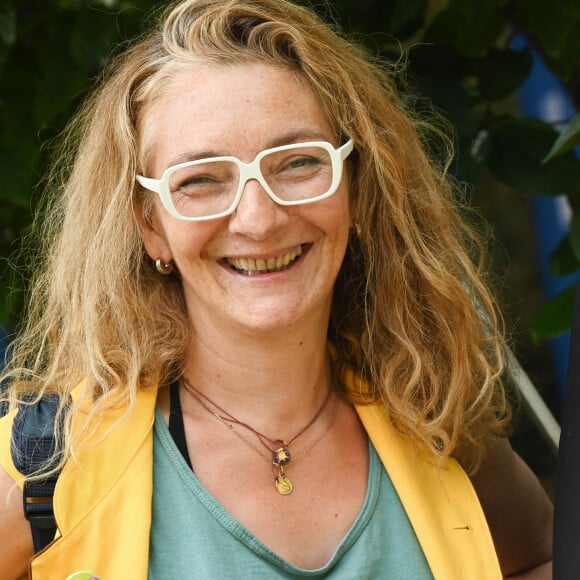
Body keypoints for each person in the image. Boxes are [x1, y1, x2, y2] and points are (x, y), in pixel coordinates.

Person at [0, 0, 553, 578]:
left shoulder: (431, 416)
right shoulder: (51, 464)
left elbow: (540, 557)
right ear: (150, 225)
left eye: (297, 164)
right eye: (201, 180)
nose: (259, 219)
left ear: (356, 187)